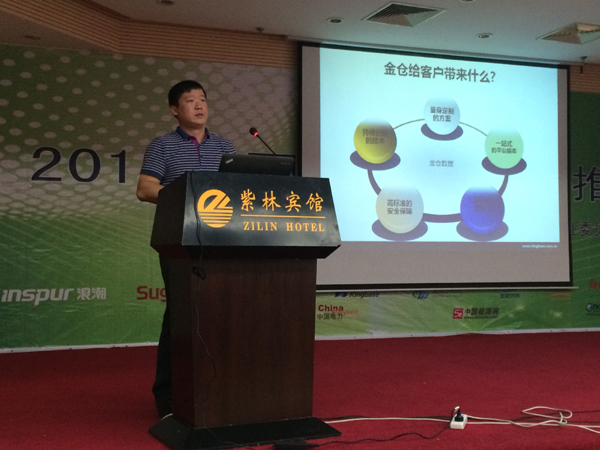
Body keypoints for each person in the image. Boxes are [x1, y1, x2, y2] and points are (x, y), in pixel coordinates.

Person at [137, 80, 235, 418]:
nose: (199, 105)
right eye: (190, 100)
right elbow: (145, 188)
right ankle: (168, 396)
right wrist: (187, 195)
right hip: (179, 240)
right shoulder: (162, 146)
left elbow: (236, 189)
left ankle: (219, 389)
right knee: (180, 315)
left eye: (202, 99)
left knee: (222, 314)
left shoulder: (223, 145)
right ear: (174, 110)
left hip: (223, 240)